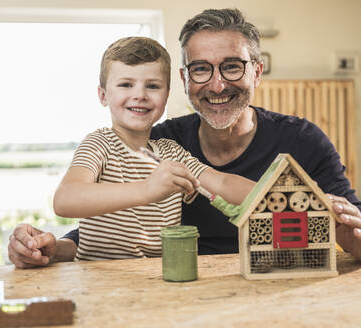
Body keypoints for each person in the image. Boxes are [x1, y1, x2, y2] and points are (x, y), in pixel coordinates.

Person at [8, 8, 361, 267]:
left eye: (232, 66)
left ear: (257, 72)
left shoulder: (301, 140)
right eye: (202, 69)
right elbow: (94, 217)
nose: (218, 83)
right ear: (186, 80)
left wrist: (311, 203)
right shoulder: (129, 142)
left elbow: (224, 183)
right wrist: (53, 248)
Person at [41, 36, 255, 261]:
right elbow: (65, 200)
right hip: (98, 282)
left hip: (155, 281)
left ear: (166, 96)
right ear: (103, 95)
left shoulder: (172, 153)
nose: (140, 95)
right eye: (126, 85)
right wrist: (147, 189)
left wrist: (276, 195)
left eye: (152, 86)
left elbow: (222, 183)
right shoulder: (99, 144)